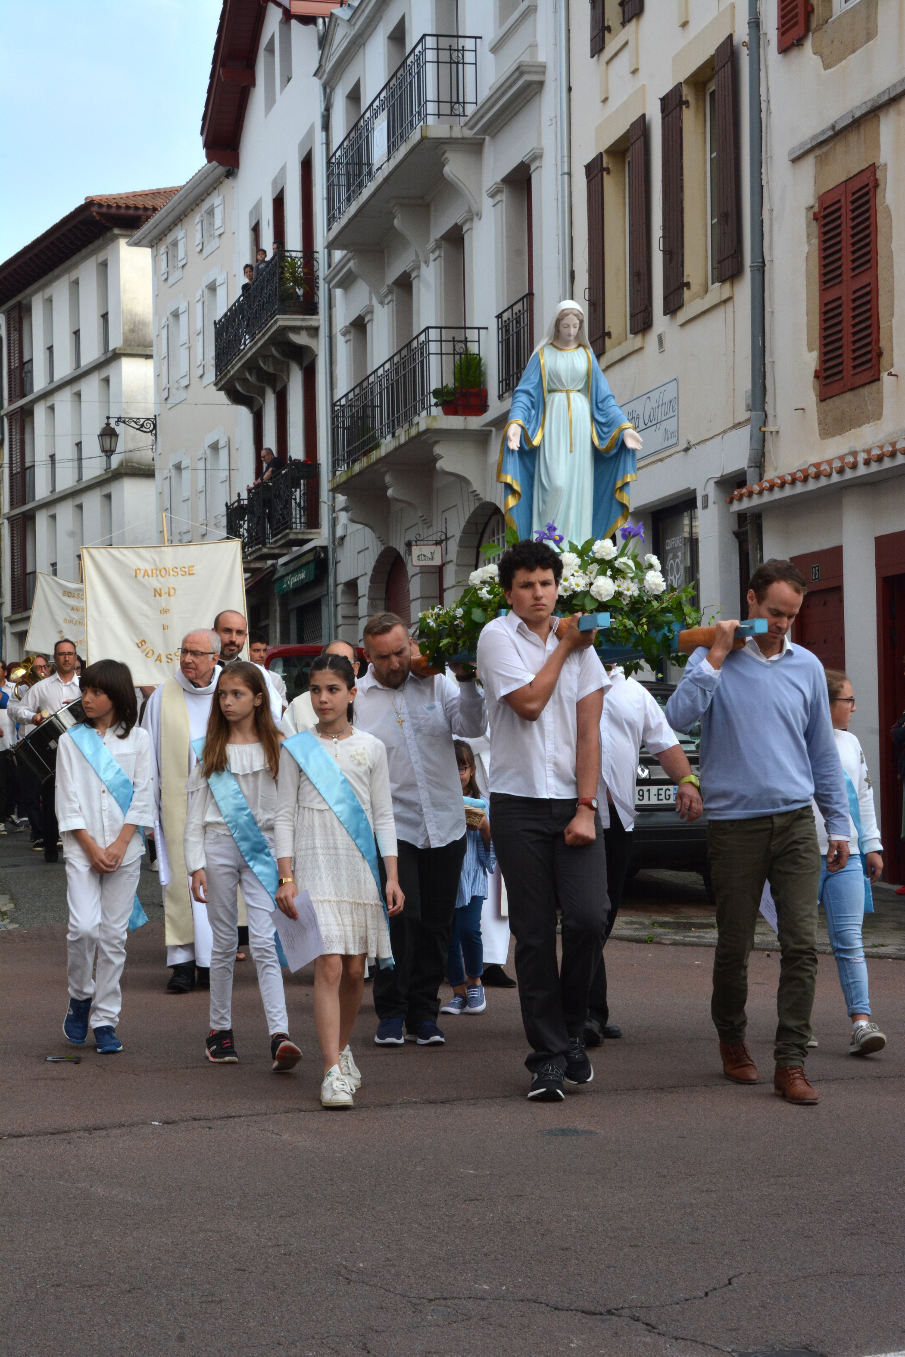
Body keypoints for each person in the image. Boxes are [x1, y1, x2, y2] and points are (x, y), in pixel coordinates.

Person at [665, 559, 851, 1106]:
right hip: (734, 825)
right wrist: (716, 657)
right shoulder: (712, 656)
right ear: (750, 599)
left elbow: (822, 753)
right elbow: (675, 718)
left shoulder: (807, 666)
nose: (781, 625)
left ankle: (790, 1062)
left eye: (791, 616)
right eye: (774, 613)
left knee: (802, 944)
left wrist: (839, 825)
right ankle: (732, 1038)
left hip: (795, 822)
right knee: (735, 944)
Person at [476, 538, 610, 1101]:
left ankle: (572, 1030)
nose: (538, 594)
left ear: (559, 586)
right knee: (533, 934)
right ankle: (548, 1057)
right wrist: (563, 646)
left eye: (547, 583)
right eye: (527, 585)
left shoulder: (582, 646)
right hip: (518, 803)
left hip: (574, 802)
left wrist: (587, 807)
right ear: (510, 593)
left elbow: (589, 733)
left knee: (588, 918)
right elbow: (529, 704)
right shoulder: (497, 637)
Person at [275, 654, 403, 1107]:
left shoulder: (372, 747)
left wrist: (392, 875)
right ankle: (331, 1070)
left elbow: (383, 816)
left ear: (352, 693)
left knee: (353, 970)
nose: (323, 698)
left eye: (332, 690)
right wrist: (286, 876)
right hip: (313, 863)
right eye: (315, 690)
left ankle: (342, 1048)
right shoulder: (296, 748)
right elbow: (283, 815)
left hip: (358, 865)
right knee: (328, 964)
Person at [355, 613, 486, 1048]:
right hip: (394, 827)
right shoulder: (359, 699)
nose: (395, 663)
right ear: (367, 656)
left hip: (445, 823)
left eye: (400, 652)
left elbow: (472, 727)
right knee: (401, 920)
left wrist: (465, 678)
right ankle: (392, 1012)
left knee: (436, 923)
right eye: (383, 657)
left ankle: (424, 1014)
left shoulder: (437, 684)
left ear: (410, 645)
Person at [184, 661, 301, 1072]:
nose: (227, 702)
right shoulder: (208, 747)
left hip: (263, 847)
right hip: (217, 844)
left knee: (266, 942)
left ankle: (280, 1034)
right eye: (222, 695)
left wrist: (289, 865)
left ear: (258, 698)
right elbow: (194, 812)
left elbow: (287, 810)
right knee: (224, 942)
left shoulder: (279, 745)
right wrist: (195, 865)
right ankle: (219, 1030)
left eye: (237, 694)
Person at [584, 665, 704, 1046]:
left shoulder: (634, 692)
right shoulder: (567, 677)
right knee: (586, 917)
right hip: (574, 816)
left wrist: (687, 780)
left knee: (602, 916)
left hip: (618, 821)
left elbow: (664, 741)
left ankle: (589, 1007)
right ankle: (586, 1012)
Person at [57, 659, 153, 1055]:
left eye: (96, 691)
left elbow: (144, 794)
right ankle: (80, 995)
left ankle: (105, 1019)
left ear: (116, 695)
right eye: (85, 690)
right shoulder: (70, 740)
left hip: (124, 852)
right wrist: (92, 846)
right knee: (84, 928)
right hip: (82, 850)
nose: (87, 698)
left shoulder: (140, 740)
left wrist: (119, 844)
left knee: (114, 937)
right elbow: (66, 799)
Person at [499, 300, 642, 548]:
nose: (571, 331)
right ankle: (547, 545)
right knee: (556, 484)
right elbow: (525, 394)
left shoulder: (586, 356)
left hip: (581, 425)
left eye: (575, 326)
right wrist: (515, 424)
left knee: (579, 491)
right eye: (566, 326)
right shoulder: (543, 356)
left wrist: (625, 428)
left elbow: (604, 399)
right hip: (553, 425)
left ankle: (576, 548)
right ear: (557, 325)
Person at [141, 629, 221, 993]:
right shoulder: (163, 695)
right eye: (184, 651)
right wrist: (150, 812)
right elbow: (148, 755)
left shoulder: (230, 689)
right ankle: (183, 965)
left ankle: (213, 963)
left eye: (196, 653)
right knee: (178, 883)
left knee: (218, 882)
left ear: (215, 658)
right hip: (177, 805)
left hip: (221, 804)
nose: (187, 659)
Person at [812, 670, 885, 1055]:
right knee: (798, 943)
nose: (854, 708)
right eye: (848, 700)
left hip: (849, 855)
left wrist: (871, 845)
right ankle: (797, 1024)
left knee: (849, 940)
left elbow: (864, 796)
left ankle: (861, 1022)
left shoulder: (852, 742)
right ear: (826, 704)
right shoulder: (800, 738)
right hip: (803, 854)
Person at [11, 638, 82, 862]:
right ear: (55, 658)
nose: (66, 658)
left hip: (82, 750)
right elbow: (17, 710)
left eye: (70, 653)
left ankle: (81, 847)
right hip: (53, 753)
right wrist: (32, 716)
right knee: (51, 800)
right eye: (62, 654)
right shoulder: (41, 687)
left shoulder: (85, 686)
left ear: (75, 657)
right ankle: (50, 845)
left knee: (81, 799)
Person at [440, 740, 496, 1017]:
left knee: (469, 930)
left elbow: (491, 852)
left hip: (472, 878)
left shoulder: (482, 802)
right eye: (451, 768)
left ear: (472, 770)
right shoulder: (438, 801)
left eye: (462, 768)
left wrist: (484, 827)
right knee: (448, 936)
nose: (457, 774)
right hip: (445, 879)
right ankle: (458, 991)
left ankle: (475, 982)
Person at [213, 610, 282, 721]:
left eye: (239, 633)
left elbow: (273, 717)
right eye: (227, 631)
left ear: (245, 636)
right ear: (214, 633)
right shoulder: (200, 671)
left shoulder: (258, 673)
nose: (233, 639)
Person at [281, 639, 360, 736]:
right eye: (330, 662)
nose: (336, 668)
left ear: (356, 667)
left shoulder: (370, 697)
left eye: (345, 662)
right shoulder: (299, 707)